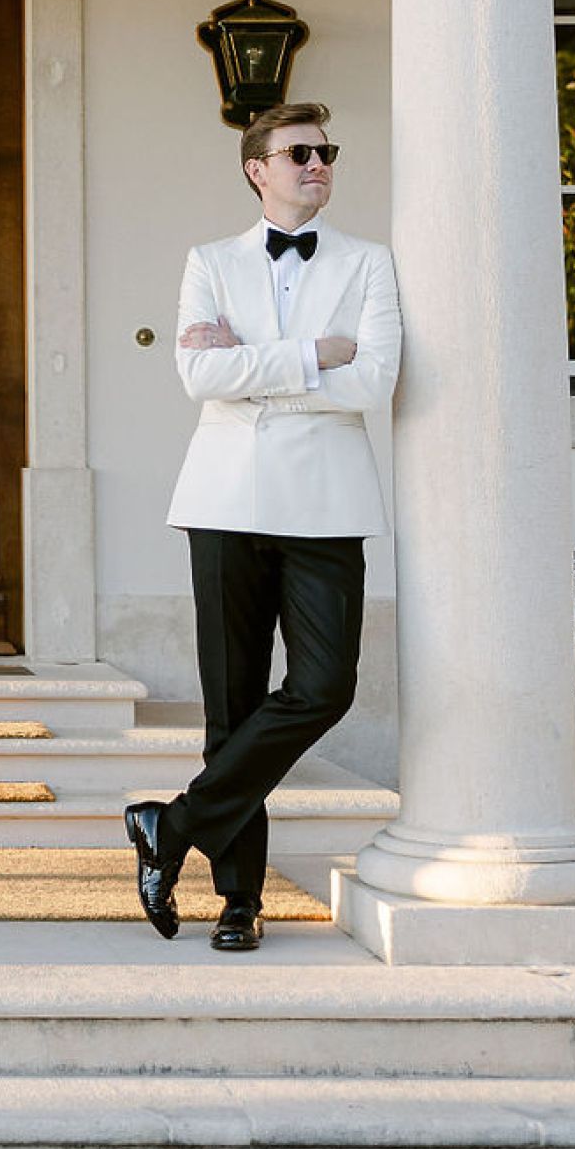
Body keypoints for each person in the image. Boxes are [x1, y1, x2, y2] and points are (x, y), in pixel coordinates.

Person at [125, 101, 401, 951]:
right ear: (259, 169)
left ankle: (169, 828)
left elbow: (376, 380)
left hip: (327, 506)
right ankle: (238, 901)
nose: (318, 165)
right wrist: (315, 354)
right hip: (225, 503)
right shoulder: (208, 261)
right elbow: (198, 376)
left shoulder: (369, 263)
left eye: (326, 153)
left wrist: (253, 369)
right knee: (233, 702)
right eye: (300, 153)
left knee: (324, 687)